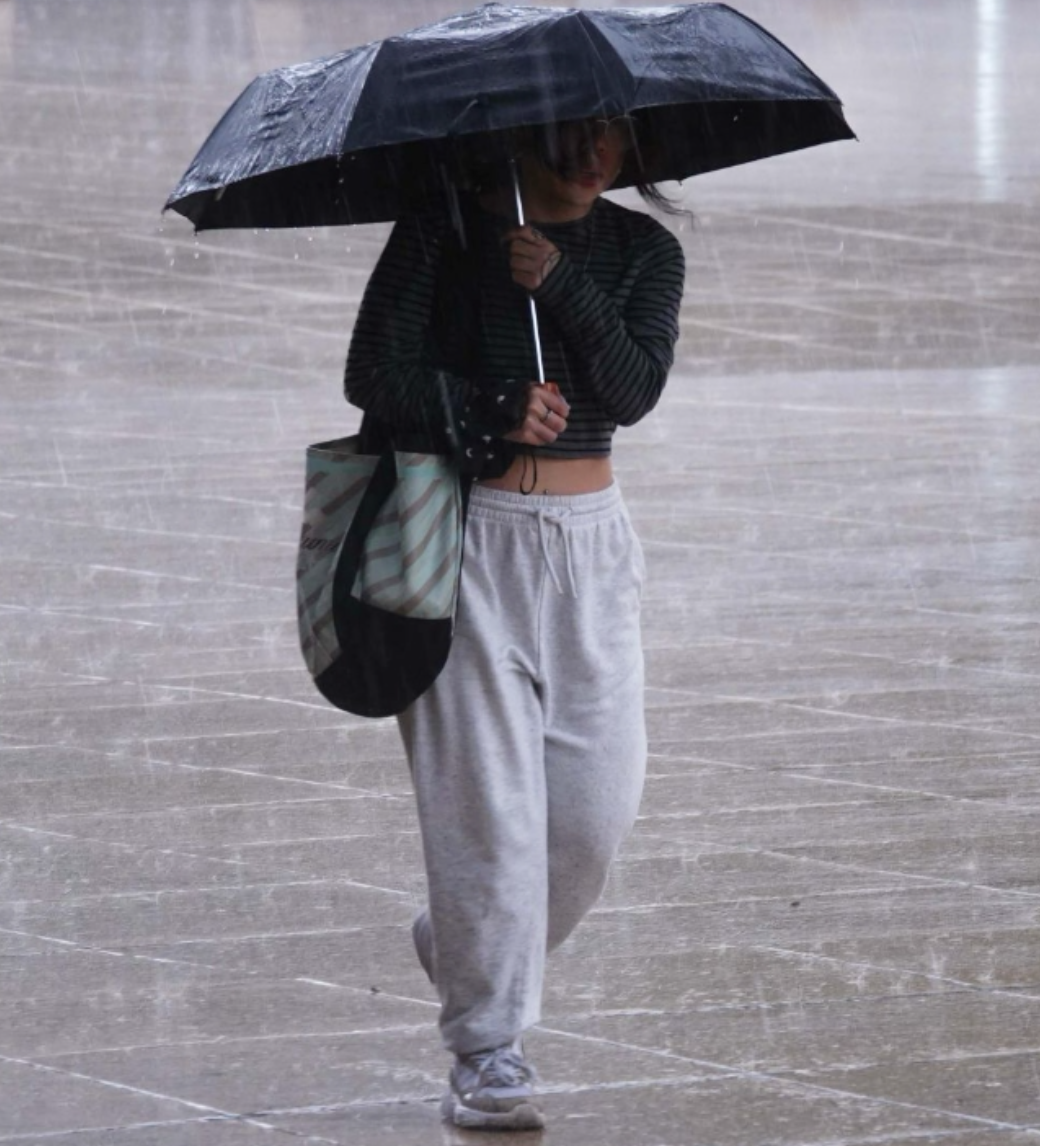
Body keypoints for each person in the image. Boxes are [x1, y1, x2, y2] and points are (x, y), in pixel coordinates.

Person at [343, 114, 686, 1130]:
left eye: (612, 140)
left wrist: (560, 284)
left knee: (589, 817)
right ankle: (487, 1050)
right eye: (571, 137)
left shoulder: (641, 251)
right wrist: (488, 401)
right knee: (485, 814)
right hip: (461, 537)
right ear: (517, 137)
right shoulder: (441, 235)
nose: (592, 159)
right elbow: (373, 374)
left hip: (591, 545)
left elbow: (634, 389)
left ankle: (465, 945)